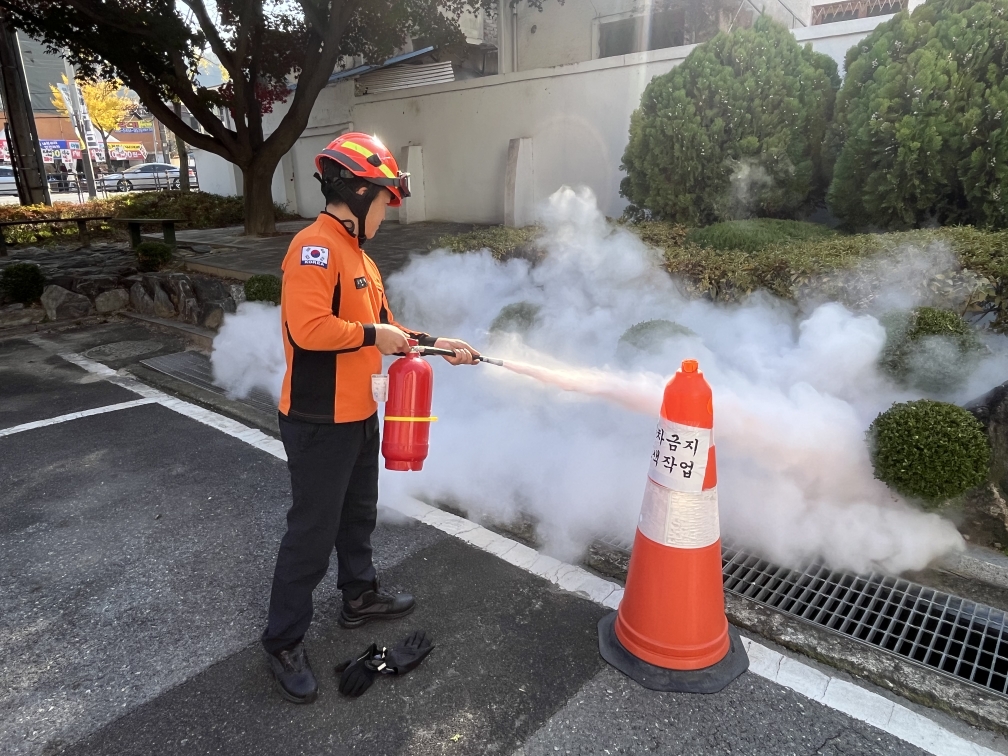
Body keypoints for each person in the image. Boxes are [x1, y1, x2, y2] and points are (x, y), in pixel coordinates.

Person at [261, 132, 479, 704]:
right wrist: (373, 335)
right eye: (384, 201)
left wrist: (436, 344)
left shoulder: (360, 256)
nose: (386, 213)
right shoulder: (313, 247)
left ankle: (358, 597)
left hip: (359, 412)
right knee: (312, 532)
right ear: (358, 193)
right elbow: (308, 329)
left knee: (357, 514)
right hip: (317, 418)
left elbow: (389, 329)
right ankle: (283, 641)